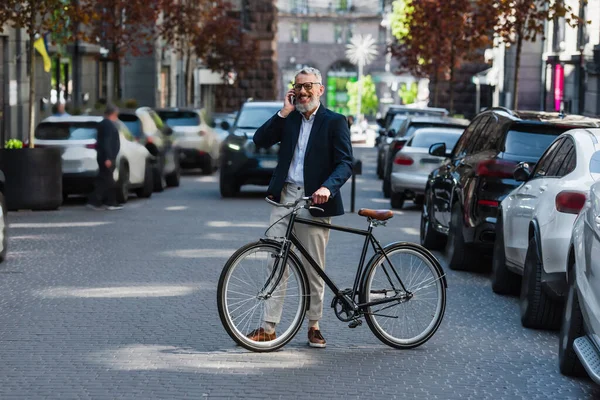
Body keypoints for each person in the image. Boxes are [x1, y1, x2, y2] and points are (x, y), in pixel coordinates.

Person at [252, 67, 353, 348]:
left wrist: (327, 187)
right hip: (285, 197)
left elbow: (346, 163)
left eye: (309, 86)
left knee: (313, 266)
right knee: (277, 260)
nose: (303, 92)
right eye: (298, 86)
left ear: (320, 89)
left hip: (315, 200)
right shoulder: (290, 118)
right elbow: (259, 140)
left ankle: (314, 324)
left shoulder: (334, 121)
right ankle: (268, 327)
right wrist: (283, 112)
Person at [87, 104, 122, 211]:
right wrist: (108, 157)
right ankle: (103, 201)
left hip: (104, 156)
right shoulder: (108, 125)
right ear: (113, 114)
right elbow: (107, 142)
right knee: (107, 180)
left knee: (105, 179)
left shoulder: (103, 124)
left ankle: (106, 201)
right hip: (107, 157)